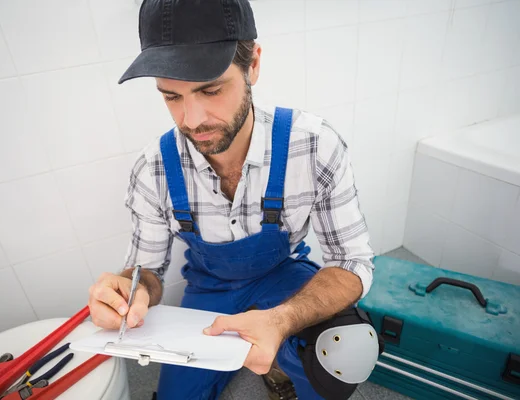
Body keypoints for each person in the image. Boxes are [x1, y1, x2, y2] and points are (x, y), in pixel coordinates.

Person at [88, 1, 376, 399]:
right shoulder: (152, 169)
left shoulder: (313, 146)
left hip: (284, 279)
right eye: (171, 96)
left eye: (210, 90)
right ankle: (259, 360)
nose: (191, 120)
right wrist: (130, 289)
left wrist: (281, 320)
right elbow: (148, 271)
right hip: (209, 291)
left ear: (253, 64)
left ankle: (281, 362)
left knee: (344, 355)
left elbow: (352, 261)